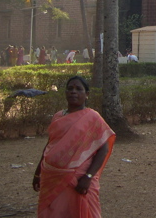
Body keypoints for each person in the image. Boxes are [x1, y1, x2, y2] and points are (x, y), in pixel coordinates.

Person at [33, 76, 115, 217]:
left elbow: (103, 149)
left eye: (78, 89)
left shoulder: (93, 117)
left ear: (86, 94)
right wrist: (37, 172)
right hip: (51, 176)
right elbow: (50, 144)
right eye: (70, 88)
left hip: (78, 179)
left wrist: (88, 177)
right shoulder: (58, 116)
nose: (73, 92)